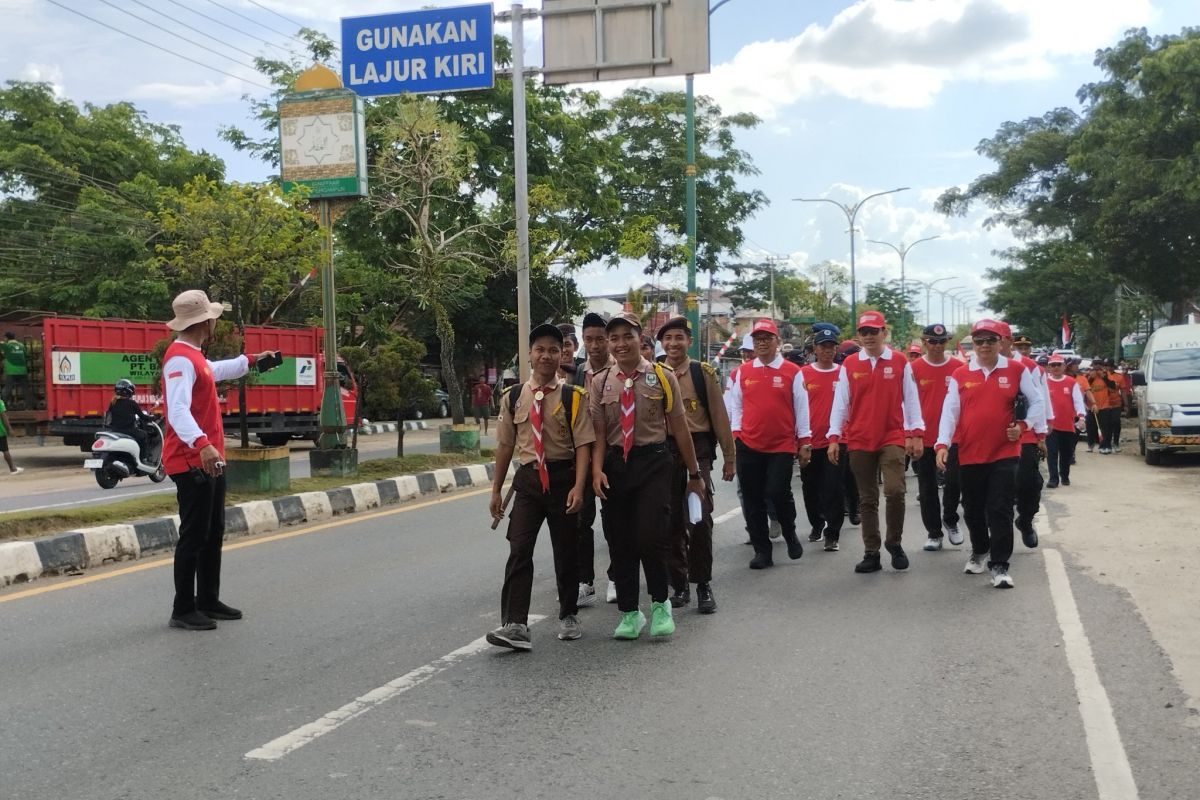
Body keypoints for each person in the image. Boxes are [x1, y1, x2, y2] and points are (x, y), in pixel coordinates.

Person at [161, 290, 273, 631]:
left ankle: (208, 599)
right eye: (212, 318)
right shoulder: (179, 359)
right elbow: (177, 410)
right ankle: (183, 609)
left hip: (209, 457)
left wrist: (252, 361)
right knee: (194, 535)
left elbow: (214, 370)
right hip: (191, 459)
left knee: (213, 532)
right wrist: (202, 444)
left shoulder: (194, 356)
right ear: (205, 323)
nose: (214, 323)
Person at [591, 312, 704, 640]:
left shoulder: (661, 376)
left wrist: (694, 473)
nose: (621, 344)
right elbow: (598, 434)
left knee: (651, 536)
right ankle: (629, 613)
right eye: (614, 338)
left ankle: (659, 603)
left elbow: (680, 426)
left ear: (640, 339)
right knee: (620, 541)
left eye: (627, 336)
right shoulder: (600, 381)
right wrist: (597, 470)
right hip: (615, 465)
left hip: (654, 462)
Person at [486, 324, 594, 651]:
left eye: (553, 350)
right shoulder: (513, 397)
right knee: (519, 549)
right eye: (540, 349)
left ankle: (569, 614)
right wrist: (496, 490)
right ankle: (516, 624)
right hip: (529, 482)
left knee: (566, 550)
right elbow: (505, 446)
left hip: (563, 480)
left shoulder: (573, 397)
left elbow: (584, 446)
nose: (546, 355)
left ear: (562, 355)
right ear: (530, 355)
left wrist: (579, 487)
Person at [935, 319, 1046, 589]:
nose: (985, 345)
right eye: (979, 341)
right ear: (973, 344)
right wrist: (942, 444)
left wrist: (1024, 426)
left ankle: (1000, 565)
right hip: (970, 452)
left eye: (991, 340)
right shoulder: (961, 374)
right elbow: (950, 411)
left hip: (1004, 452)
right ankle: (980, 549)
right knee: (973, 510)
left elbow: (1038, 401)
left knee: (1000, 508)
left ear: (1001, 342)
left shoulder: (1016, 370)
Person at [828, 311, 924, 574]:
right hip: (859, 439)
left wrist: (916, 433)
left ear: (884, 333)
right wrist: (834, 437)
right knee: (867, 499)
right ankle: (872, 552)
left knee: (895, 491)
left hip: (892, 436)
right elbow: (840, 403)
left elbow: (911, 399)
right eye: (864, 332)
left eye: (874, 331)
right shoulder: (850, 364)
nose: (869, 337)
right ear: (859, 336)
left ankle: (894, 542)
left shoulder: (899, 361)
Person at [657, 316, 735, 613]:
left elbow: (719, 416)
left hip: (697, 454)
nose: (673, 343)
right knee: (670, 522)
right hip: (663, 454)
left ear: (689, 342)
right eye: (668, 338)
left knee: (698, 518)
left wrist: (729, 457)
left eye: (679, 337)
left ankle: (702, 584)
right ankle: (679, 585)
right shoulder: (653, 373)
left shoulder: (702, 373)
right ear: (661, 343)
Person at [725, 318, 812, 570]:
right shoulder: (742, 372)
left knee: (777, 491)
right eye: (757, 339)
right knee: (752, 498)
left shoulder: (792, 371)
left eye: (767, 338)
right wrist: (737, 433)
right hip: (749, 443)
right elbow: (736, 406)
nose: (762, 343)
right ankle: (762, 550)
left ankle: (789, 531)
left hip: (781, 445)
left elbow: (802, 408)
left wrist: (805, 441)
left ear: (777, 341)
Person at [909, 324, 964, 552]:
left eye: (942, 342)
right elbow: (906, 404)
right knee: (927, 487)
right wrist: (910, 435)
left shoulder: (959, 368)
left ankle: (950, 518)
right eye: (932, 341)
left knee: (954, 482)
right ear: (924, 342)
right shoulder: (913, 369)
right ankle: (934, 532)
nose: (937, 346)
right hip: (925, 438)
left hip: (954, 437)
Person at [573, 312, 616, 606]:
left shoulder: (619, 371)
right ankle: (585, 581)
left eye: (600, 339)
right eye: (589, 339)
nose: (595, 345)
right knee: (580, 520)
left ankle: (616, 577)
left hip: (612, 454)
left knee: (613, 520)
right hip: (583, 456)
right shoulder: (578, 374)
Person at [799, 327, 845, 551]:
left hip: (836, 441)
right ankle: (817, 524)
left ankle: (832, 534)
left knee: (833, 488)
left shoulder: (844, 373)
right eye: (823, 347)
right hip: (810, 441)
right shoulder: (803, 374)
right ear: (815, 349)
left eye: (831, 347)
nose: (828, 350)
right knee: (811, 487)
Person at [1005, 331, 1050, 548]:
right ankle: (999, 538)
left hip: (1026, 433)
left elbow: (1041, 401)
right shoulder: (979, 365)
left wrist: (1041, 434)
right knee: (999, 487)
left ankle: (1025, 520)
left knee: (1029, 483)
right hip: (994, 436)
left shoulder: (1031, 368)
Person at [1044, 355, 1086, 488]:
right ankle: (1053, 479)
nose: (1056, 367)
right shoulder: (1044, 382)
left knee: (1066, 453)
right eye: (1053, 365)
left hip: (1067, 425)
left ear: (1064, 367)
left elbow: (1078, 401)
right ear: (1049, 367)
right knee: (1052, 452)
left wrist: (1081, 417)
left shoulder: (1071, 382)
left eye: (1058, 365)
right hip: (1051, 425)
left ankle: (1065, 475)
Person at [105, 378, 154, 461]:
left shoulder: (113, 403)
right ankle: (144, 458)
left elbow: (109, 418)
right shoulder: (131, 403)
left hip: (114, 430)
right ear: (128, 391)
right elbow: (143, 417)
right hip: (128, 430)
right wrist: (154, 417)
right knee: (144, 435)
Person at [1, 331, 29, 410]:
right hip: (23, 371)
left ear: (6, 338)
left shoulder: (7, 345)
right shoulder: (21, 345)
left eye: (4, 337)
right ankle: (29, 406)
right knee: (25, 389)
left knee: (7, 389)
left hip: (11, 371)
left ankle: (3, 406)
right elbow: (26, 356)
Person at [0, 397, 23, 474]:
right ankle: (13, 469)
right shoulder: (0, 402)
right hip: (0, 432)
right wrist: (9, 429)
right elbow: (4, 417)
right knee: (5, 450)